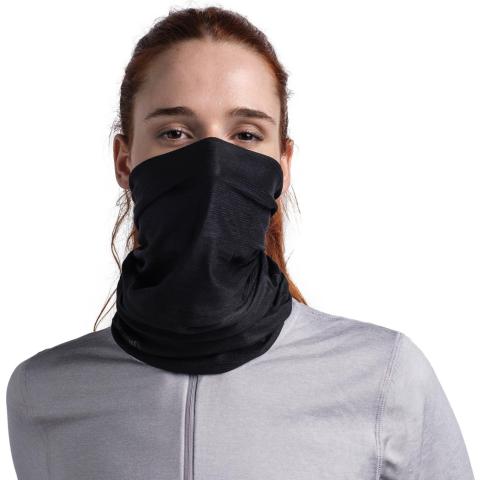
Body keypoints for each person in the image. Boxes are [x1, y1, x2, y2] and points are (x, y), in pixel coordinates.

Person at [6, 6, 476, 480]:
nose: (212, 162)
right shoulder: (42, 394)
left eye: (246, 134)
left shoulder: (384, 378)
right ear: (124, 161)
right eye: (174, 133)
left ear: (283, 164)